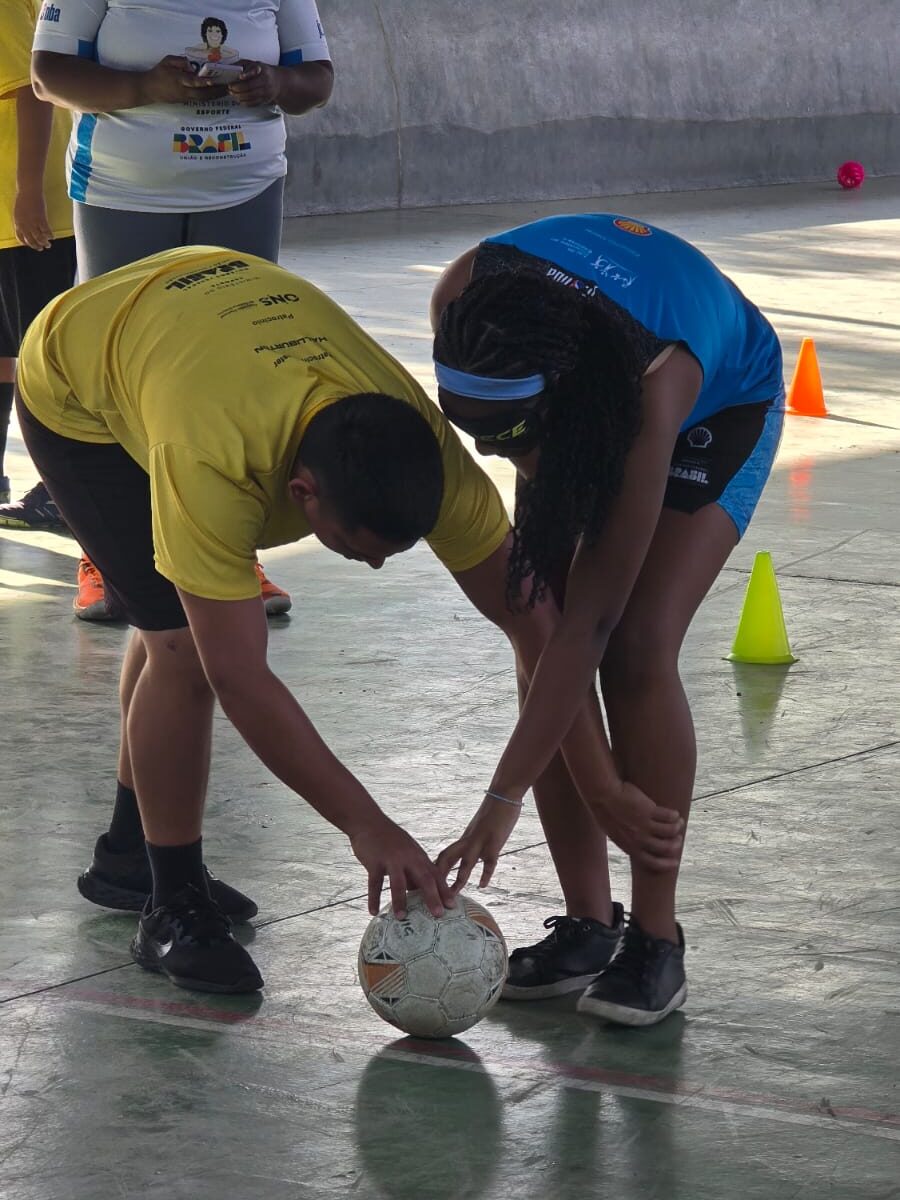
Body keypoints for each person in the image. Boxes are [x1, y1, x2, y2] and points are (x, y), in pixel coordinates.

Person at [16, 245, 613, 996]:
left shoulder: (434, 460)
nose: (376, 566)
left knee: (181, 624)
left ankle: (130, 854)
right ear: (300, 495)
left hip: (203, 313)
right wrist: (367, 825)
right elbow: (240, 678)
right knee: (182, 646)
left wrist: (521, 796)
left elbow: (543, 633)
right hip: (80, 373)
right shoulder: (213, 459)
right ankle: (171, 902)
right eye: (359, 547)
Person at [431, 212, 785, 1026]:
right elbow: (542, 626)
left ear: (562, 403)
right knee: (539, 603)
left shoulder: (650, 388)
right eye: (480, 437)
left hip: (719, 400)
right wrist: (591, 784)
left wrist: (506, 800)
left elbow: (589, 625)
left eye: (512, 442)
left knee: (635, 645)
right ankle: (589, 923)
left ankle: (657, 940)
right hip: (575, 386)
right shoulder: (464, 298)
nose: (498, 460)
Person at [31, 0, 335, 617]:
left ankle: (230, 552)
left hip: (245, 189)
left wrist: (275, 83)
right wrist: (145, 87)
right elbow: (49, 74)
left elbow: (317, 78)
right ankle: (108, 560)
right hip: (122, 193)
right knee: (115, 375)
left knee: (236, 379)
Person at [0, 0, 75, 532]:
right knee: (5, 353)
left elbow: (32, 89)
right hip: (8, 214)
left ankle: (63, 491)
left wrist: (28, 194)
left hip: (27, 215)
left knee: (42, 360)